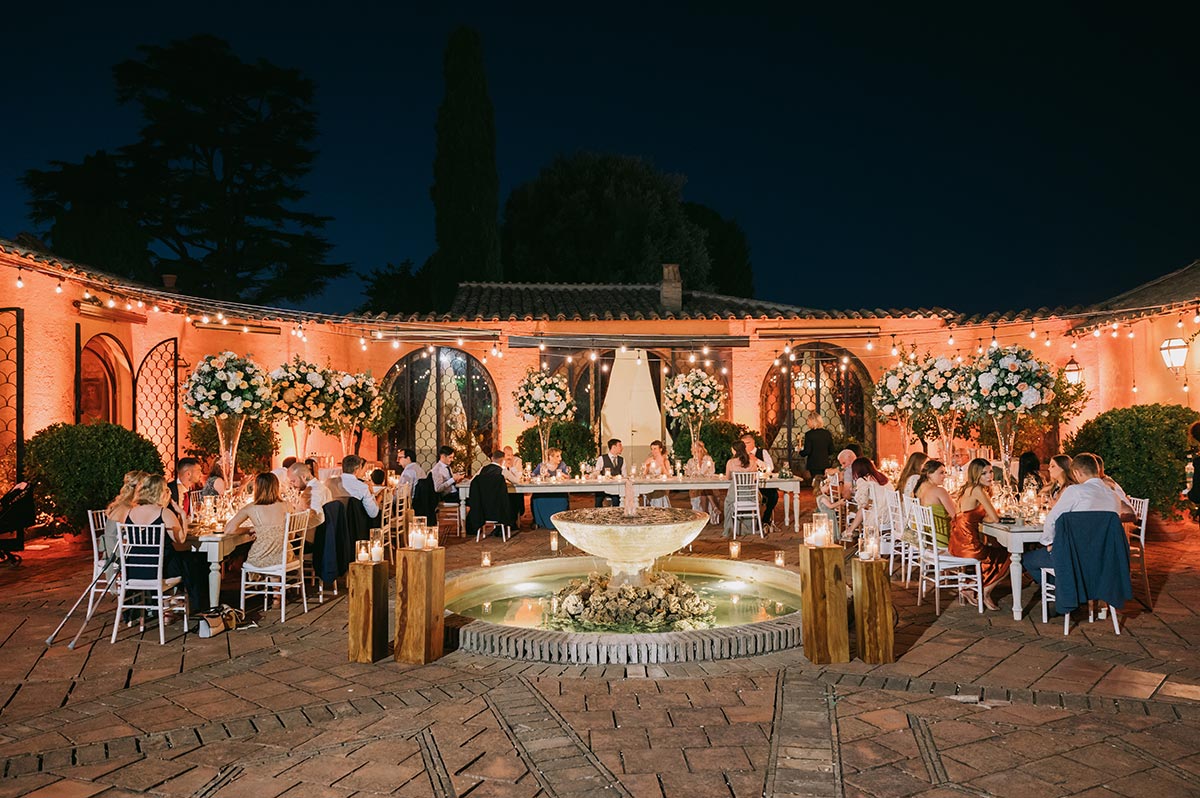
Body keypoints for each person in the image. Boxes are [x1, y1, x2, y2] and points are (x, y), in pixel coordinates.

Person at [1023, 453, 1119, 583]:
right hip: (1105, 557)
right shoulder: (1113, 495)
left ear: (1077, 473)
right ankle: (1078, 588)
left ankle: (1064, 589)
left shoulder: (1075, 491)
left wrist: (1048, 542)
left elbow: (1052, 519)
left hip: (1074, 557)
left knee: (1027, 559)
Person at [123, 473, 206, 613]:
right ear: (160, 492)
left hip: (134, 570)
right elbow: (180, 539)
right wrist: (183, 516)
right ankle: (193, 604)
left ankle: (167, 604)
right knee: (194, 562)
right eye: (166, 489)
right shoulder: (164, 513)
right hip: (160, 570)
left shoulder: (130, 513)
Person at [950, 458, 1011, 610]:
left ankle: (971, 587)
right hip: (969, 546)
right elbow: (995, 518)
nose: (990, 476)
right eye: (984, 473)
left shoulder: (968, 489)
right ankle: (984, 591)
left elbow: (983, 517)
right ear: (976, 475)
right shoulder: (977, 490)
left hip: (957, 543)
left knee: (998, 552)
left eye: (990, 472)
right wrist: (998, 515)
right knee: (1011, 556)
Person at [224, 473, 298, 570]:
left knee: (247, 552)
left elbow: (229, 530)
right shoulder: (288, 506)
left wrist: (249, 530)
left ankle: (267, 581)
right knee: (273, 557)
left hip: (261, 557)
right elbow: (291, 536)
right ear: (276, 487)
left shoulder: (250, 508)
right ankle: (275, 583)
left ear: (257, 488)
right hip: (285, 557)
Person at [838, 457, 891, 541]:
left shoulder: (863, 479)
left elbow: (862, 501)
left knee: (863, 508)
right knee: (865, 507)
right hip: (891, 514)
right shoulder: (881, 477)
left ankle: (850, 531)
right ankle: (850, 531)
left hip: (879, 516)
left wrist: (855, 492)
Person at [104, 470, 148, 567]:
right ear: (138, 487)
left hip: (119, 547)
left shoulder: (128, 504)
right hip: (117, 553)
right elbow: (139, 530)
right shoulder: (127, 507)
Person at [467, 451, 516, 537]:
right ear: (502, 460)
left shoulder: (482, 469)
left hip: (482, 509)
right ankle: (508, 527)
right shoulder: (502, 471)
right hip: (499, 509)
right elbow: (516, 481)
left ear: (492, 458)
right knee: (515, 500)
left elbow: (472, 482)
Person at [915, 459, 957, 549]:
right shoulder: (939, 491)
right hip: (943, 539)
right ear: (929, 474)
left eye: (945, 473)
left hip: (927, 538)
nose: (944, 476)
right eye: (941, 473)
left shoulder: (919, 489)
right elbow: (956, 516)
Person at [723, 440, 761, 538]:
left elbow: (728, 478)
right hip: (750, 496)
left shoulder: (730, 463)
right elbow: (754, 478)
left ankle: (729, 530)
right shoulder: (752, 463)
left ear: (734, 450)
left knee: (727, 503)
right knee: (759, 498)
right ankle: (749, 527)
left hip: (736, 496)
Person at [742, 433, 778, 529]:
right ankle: (750, 522)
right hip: (748, 485)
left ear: (753, 442)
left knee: (773, 496)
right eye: (743, 444)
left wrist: (756, 460)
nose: (745, 446)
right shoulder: (741, 455)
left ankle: (765, 519)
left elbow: (771, 467)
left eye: (747, 443)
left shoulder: (762, 452)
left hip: (763, 484)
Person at [531, 448, 570, 530]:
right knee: (536, 498)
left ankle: (560, 520)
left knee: (562, 498)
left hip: (558, 491)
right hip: (543, 491)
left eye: (560, 456)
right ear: (550, 457)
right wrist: (541, 476)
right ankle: (540, 522)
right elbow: (532, 475)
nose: (560, 458)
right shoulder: (542, 465)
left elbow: (569, 477)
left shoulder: (562, 465)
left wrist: (563, 475)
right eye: (557, 456)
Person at [288, 461, 330, 529]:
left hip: (314, 534)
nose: (292, 485)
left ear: (303, 477)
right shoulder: (320, 486)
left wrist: (294, 525)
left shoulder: (313, 492)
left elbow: (317, 519)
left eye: (293, 481)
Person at [336, 455, 379, 519]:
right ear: (357, 469)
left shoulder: (330, 483)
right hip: (356, 526)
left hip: (335, 524)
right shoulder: (362, 487)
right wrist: (371, 493)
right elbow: (373, 513)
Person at [686, 440, 718, 521]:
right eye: (695, 450)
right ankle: (713, 507)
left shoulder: (708, 459)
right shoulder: (690, 461)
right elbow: (687, 473)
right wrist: (693, 475)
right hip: (696, 484)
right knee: (703, 489)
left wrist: (705, 474)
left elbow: (712, 471)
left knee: (704, 488)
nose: (697, 452)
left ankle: (704, 514)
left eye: (698, 450)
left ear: (702, 449)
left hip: (706, 483)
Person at [798, 412, 834, 482]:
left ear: (813, 421)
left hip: (813, 464)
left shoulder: (809, 434)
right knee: (824, 483)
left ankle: (817, 492)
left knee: (816, 483)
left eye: (808, 421)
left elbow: (807, 451)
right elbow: (831, 450)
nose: (807, 423)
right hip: (825, 463)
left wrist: (800, 452)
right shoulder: (827, 433)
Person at [594, 438, 624, 507]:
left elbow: (624, 474)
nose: (622, 448)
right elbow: (597, 472)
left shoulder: (622, 460)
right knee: (598, 499)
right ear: (613, 447)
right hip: (602, 487)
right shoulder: (602, 458)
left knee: (616, 499)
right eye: (620, 446)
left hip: (616, 487)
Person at [642, 440, 673, 508]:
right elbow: (643, 474)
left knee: (658, 492)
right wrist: (646, 468)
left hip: (661, 486)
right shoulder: (649, 460)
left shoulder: (665, 461)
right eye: (652, 449)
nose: (653, 451)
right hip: (650, 485)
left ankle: (659, 509)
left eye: (655, 449)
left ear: (660, 449)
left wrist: (662, 465)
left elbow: (669, 476)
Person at [501, 446, 526, 525]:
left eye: (511, 455)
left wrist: (511, 467)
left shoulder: (517, 461)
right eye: (508, 455)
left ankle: (513, 520)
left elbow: (518, 477)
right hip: (502, 489)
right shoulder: (501, 461)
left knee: (515, 497)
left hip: (515, 487)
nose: (510, 457)